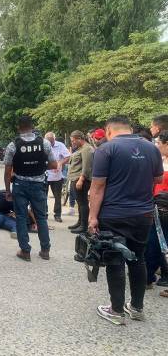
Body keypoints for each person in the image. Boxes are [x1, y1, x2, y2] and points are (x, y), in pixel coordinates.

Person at [89, 116, 163, 325]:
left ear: (109, 131)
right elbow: (157, 178)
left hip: (113, 215)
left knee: (115, 260)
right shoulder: (151, 148)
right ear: (129, 129)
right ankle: (137, 308)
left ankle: (117, 310)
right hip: (143, 214)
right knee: (138, 259)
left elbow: (97, 187)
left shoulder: (106, 149)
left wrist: (92, 217)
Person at [4, 116, 57, 261]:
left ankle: (25, 251)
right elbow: (54, 165)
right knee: (41, 217)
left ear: (18, 128)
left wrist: (8, 190)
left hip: (20, 186)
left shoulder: (13, 145)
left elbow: (7, 170)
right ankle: (45, 250)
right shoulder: (44, 143)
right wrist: (38, 166)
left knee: (21, 217)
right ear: (32, 127)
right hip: (38, 185)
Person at [145, 130, 168, 288]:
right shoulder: (160, 159)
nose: (157, 146)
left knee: (155, 242)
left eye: (159, 143)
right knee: (157, 242)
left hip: (164, 208)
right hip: (156, 206)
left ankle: (148, 277)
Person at [67, 131, 94, 234]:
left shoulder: (87, 149)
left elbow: (87, 166)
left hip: (81, 180)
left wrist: (81, 179)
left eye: (73, 140)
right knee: (80, 202)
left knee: (83, 203)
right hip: (76, 178)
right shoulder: (80, 149)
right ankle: (79, 222)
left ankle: (84, 226)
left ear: (79, 138)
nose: (72, 143)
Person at [44, 132, 70, 222]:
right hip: (44, 175)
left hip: (57, 176)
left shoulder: (60, 145)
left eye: (52, 141)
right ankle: (44, 214)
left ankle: (57, 215)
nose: (50, 144)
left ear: (54, 139)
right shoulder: (42, 145)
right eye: (49, 142)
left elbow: (67, 157)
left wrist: (60, 163)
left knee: (58, 197)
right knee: (43, 196)